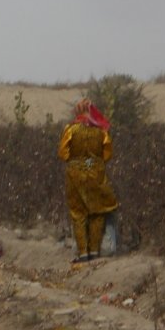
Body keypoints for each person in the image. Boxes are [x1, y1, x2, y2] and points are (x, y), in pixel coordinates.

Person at [57, 98, 118, 263]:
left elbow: (62, 154)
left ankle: (82, 253)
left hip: (74, 174)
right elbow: (107, 155)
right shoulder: (101, 132)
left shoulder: (70, 129)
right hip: (96, 174)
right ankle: (94, 251)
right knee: (97, 213)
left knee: (78, 214)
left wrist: (78, 160)